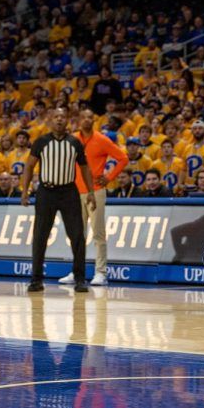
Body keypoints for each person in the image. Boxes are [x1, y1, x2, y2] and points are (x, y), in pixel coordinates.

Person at [20, 108, 97, 292]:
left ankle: (80, 279)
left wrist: (91, 191)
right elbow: (29, 166)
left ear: (68, 121)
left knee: (77, 235)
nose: (60, 120)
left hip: (69, 192)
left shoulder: (75, 142)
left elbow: (85, 168)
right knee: (40, 236)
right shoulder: (41, 142)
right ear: (50, 120)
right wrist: (25, 190)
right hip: (46, 192)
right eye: (56, 117)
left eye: (63, 117)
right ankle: (36, 279)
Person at [63, 108, 126, 287]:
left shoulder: (101, 139)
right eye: (83, 117)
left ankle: (101, 272)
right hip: (75, 191)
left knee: (98, 233)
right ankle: (77, 271)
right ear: (78, 119)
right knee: (77, 234)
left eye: (90, 117)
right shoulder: (72, 139)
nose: (87, 120)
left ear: (94, 120)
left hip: (96, 190)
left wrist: (109, 177)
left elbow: (123, 158)